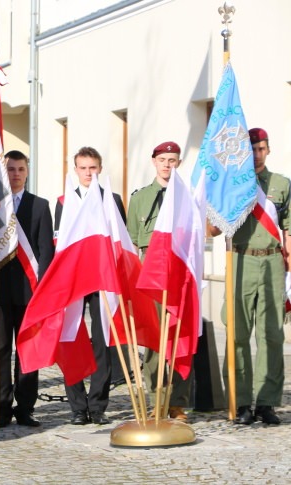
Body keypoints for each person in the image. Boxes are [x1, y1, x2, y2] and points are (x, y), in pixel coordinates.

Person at [211, 128, 290, 425]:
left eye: (261, 149)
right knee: (238, 334)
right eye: (252, 149)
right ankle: (240, 401)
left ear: (268, 150)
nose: (257, 154)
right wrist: (225, 203)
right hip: (240, 259)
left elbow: (288, 228)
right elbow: (213, 230)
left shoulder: (281, 183)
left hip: (271, 261)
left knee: (271, 335)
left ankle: (267, 402)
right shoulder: (232, 185)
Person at [55, 146, 125, 425]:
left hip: (102, 279)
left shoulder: (113, 199)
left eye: (93, 168)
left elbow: (121, 241)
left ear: (100, 168)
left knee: (103, 340)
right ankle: (76, 407)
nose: (88, 173)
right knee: (70, 337)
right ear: (75, 170)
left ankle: (97, 406)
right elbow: (58, 242)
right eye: (83, 168)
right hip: (73, 280)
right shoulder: (63, 202)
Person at [126, 141, 191, 421]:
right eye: (163, 159)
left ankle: (177, 403)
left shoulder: (186, 197)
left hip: (178, 277)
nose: (167, 164)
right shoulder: (140, 199)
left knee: (179, 337)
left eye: (173, 160)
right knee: (153, 343)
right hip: (148, 277)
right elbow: (130, 242)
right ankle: (156, 401)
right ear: (154, 161)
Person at [0, 150, 54, 427]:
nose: (16, 174)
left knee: (28, 350)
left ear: (27, 172)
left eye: (20, 169)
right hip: (0, 291)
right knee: (1, 349)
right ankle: (1, 407)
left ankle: (25, 407)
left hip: (31, 291)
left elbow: (45, 252)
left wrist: (44, 290)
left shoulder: (40, 206)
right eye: (11, 170)